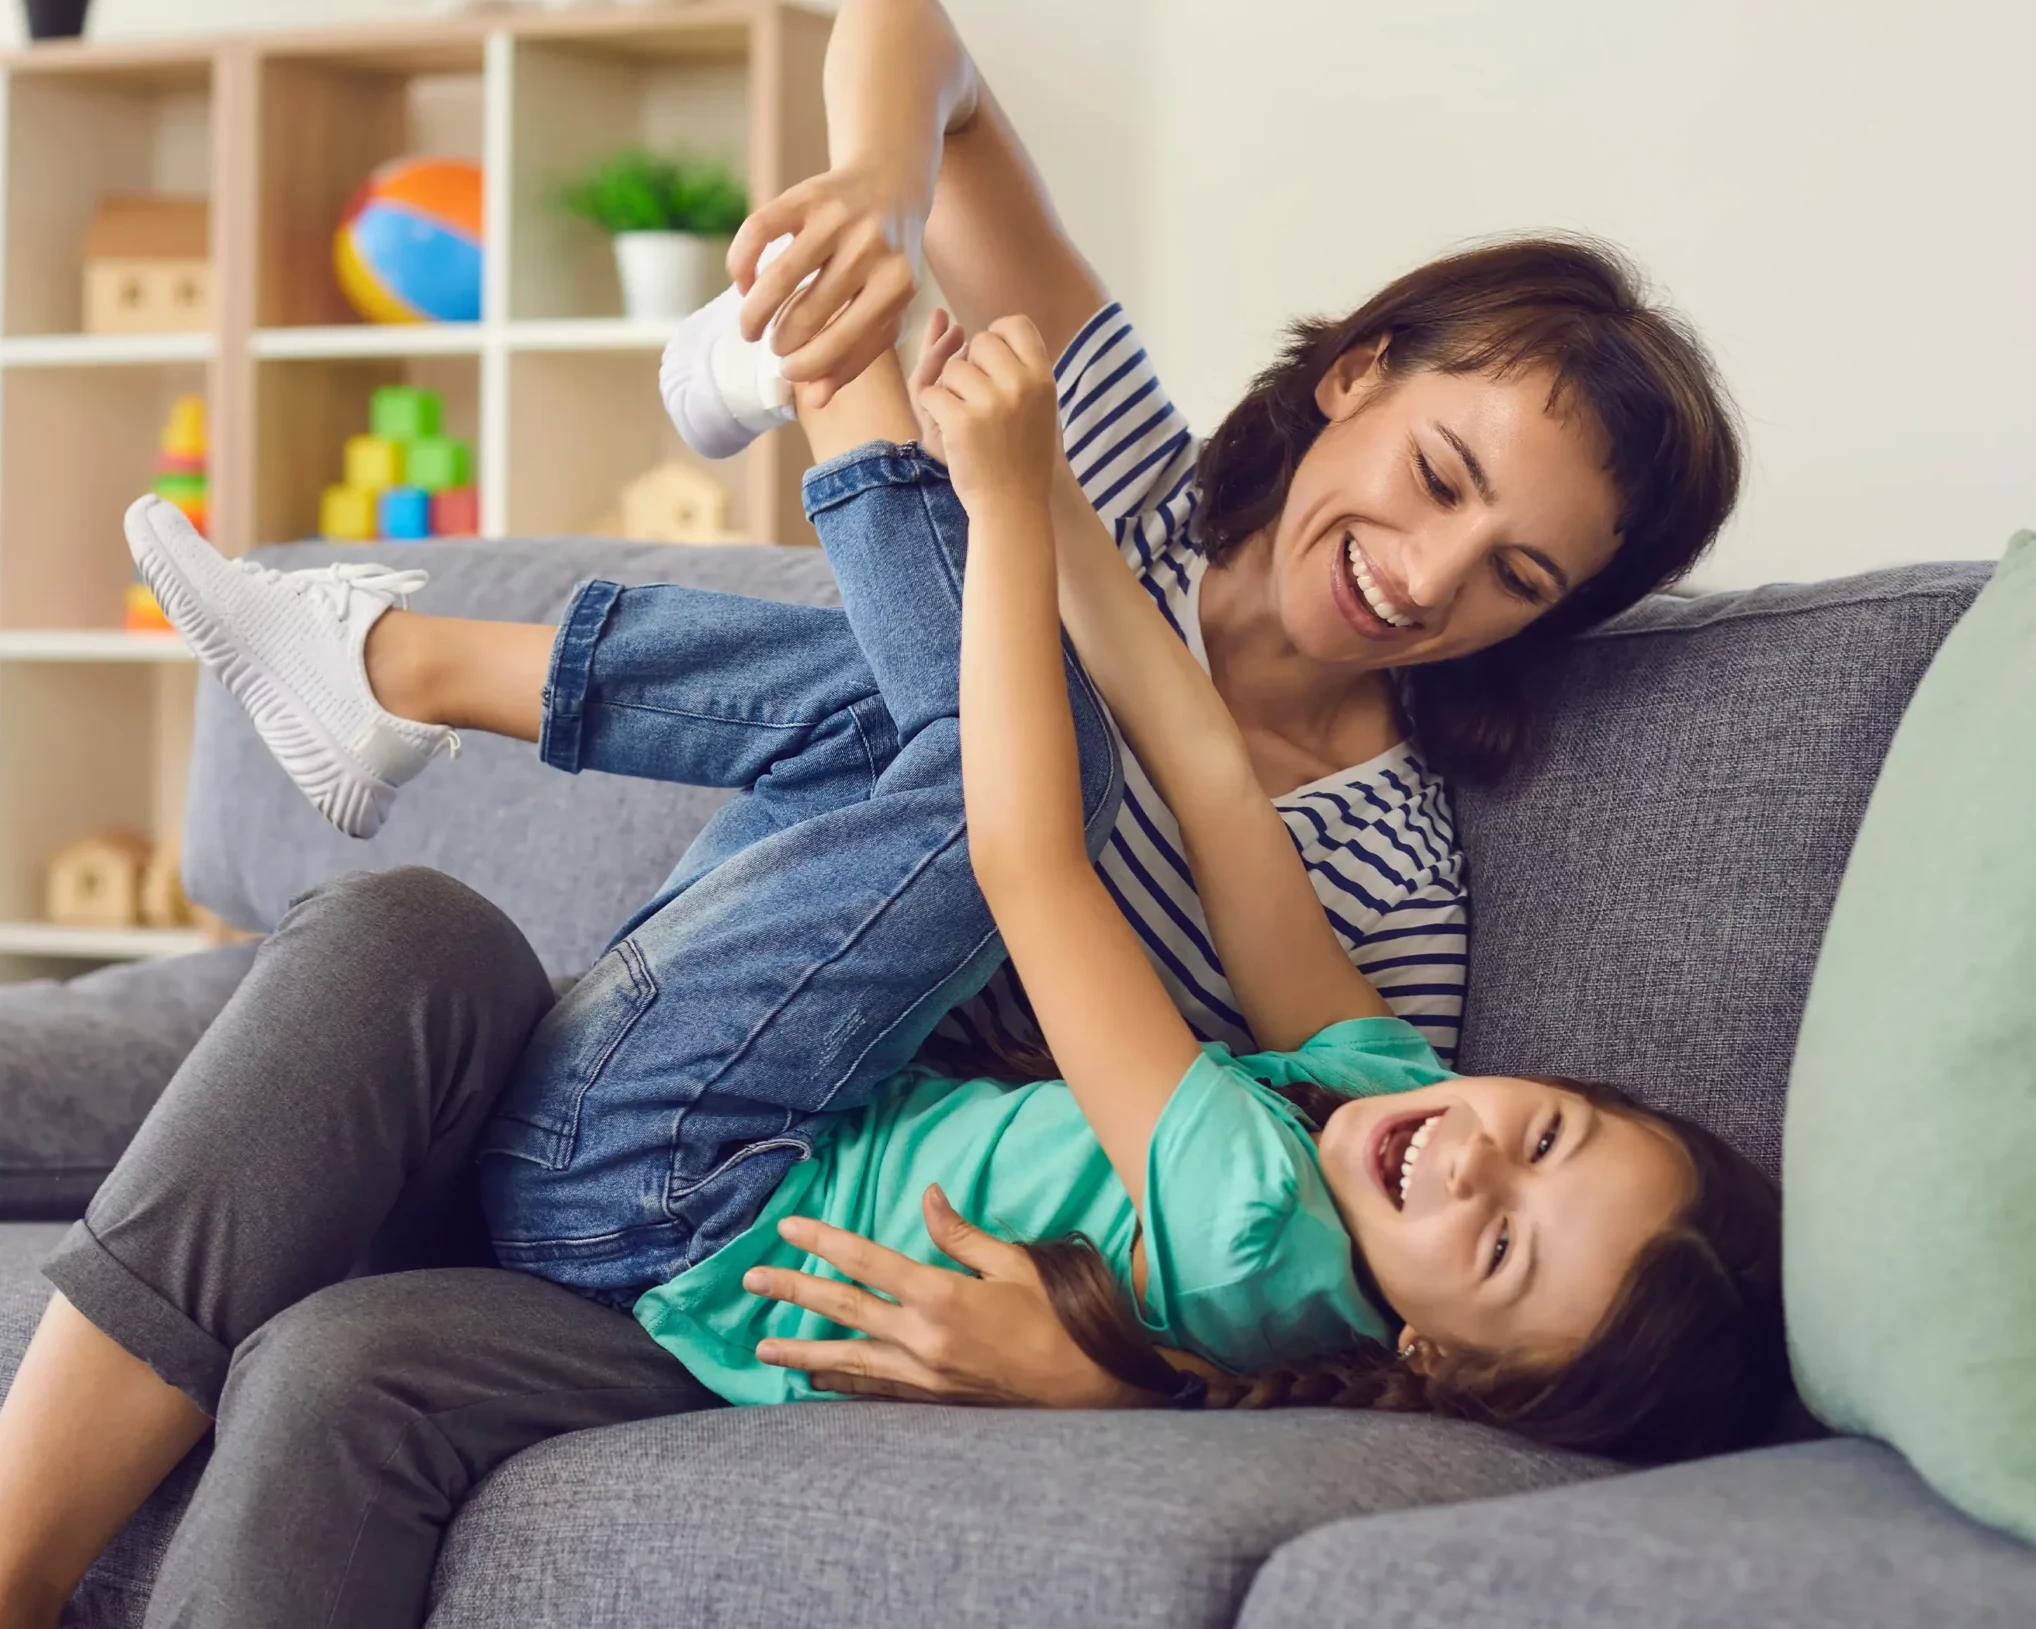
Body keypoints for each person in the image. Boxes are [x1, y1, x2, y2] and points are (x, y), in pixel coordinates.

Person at [0, 315, 1783, 1629]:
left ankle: (456, 626)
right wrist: (1067, 530)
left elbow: (1028, 859)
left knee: (1016, 759)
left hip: (680, 1182)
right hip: (688, 1219)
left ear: (1440, 1353)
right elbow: (1222, 798)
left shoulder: (1257, 1219)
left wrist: (995, 508)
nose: (1475, 1162)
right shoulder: (1390, 1097)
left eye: (1500, 1242)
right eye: (1544, 1134)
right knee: (375, 1135)